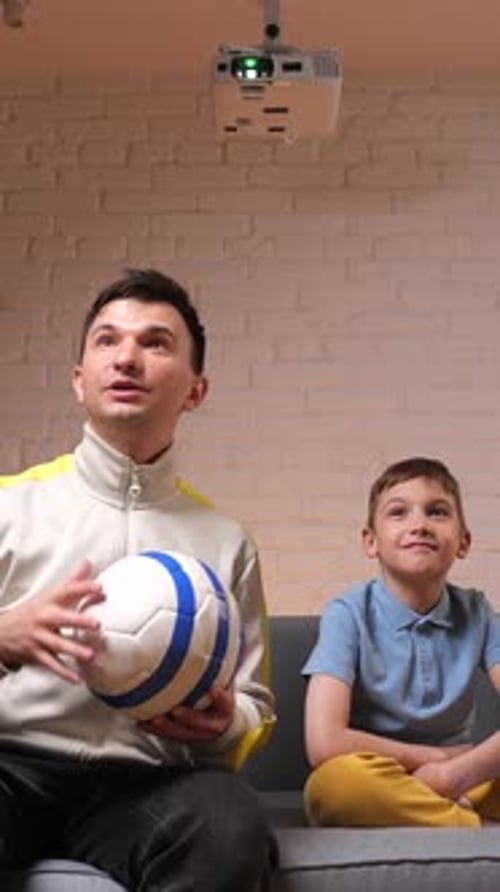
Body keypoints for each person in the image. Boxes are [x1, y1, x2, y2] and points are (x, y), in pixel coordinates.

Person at [0, 268, 277, 890]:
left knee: (230, 823)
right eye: (107, 340)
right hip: (9, 766)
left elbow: (256, 706)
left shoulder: (226, 542)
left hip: (146, 784)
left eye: (156, 343)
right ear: (78, 380)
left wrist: (223, 725)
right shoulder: (7, 507)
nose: (127, 357)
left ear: (196, 389)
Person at [302, 456, 500, 828]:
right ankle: (475, 829)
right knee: (332, 788)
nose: (420, 525)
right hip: (379, 775)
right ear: (371, 541)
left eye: (437, 512)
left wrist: (453, 775)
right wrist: (434, 758)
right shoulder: (347, 614)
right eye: (398, 513)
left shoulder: (477, 612)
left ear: (464, 541)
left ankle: (445, 810)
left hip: (464, 776)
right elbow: (324, 741)